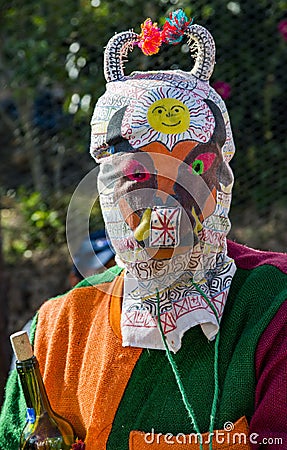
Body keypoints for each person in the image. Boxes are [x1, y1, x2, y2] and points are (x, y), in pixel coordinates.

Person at [1, 9, 287, 450]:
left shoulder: (274, 307)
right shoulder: (56, 333)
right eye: (139, 176)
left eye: (193, 169)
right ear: (107, 187)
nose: (168, 201)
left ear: (221, 182)